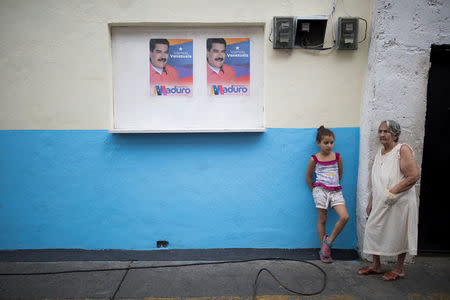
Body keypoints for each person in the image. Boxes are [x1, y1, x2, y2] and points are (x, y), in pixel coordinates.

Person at [358, 120, 420, 281]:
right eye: (380, 131)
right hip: (382, 201)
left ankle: (399, 269)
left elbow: (413, 176)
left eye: (386, 131)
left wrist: (390, 193)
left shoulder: (402, 150)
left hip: (400, 201)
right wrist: (371, 201)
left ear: (395, 134)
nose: (382, 134)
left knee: (399, 233)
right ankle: (376, 265)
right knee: (373, 227)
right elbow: (376, 179)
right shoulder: (380, 152)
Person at [306, 126, 350, 263]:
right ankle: (323, 250)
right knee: (322, 219)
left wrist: (333, 185)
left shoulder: (337, 157)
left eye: (331, 142)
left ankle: (328, 242)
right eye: (326, 143)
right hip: (320, 190)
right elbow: (308, 177)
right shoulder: (314, 159)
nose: (329, 145)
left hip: (335, 190)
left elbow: (340, 173)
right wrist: (315, 190)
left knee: (344, 216)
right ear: (318, 143)